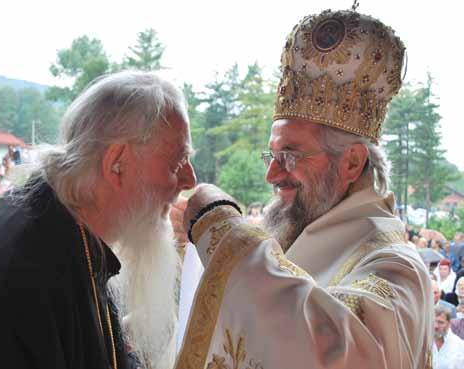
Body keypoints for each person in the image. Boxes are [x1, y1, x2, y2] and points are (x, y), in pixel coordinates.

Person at [175, 8, 431, 369]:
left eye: (291, 156)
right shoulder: (295, 228)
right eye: (272, 155)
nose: (272, 175)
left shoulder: (394, 265)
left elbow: (343, 357)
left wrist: (219, 228)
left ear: (352, 163)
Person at [0, 71, 197, 369]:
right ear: (117, 164)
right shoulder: (17, 275)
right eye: (177, 162)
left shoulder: (63, 229)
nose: (190, 179)